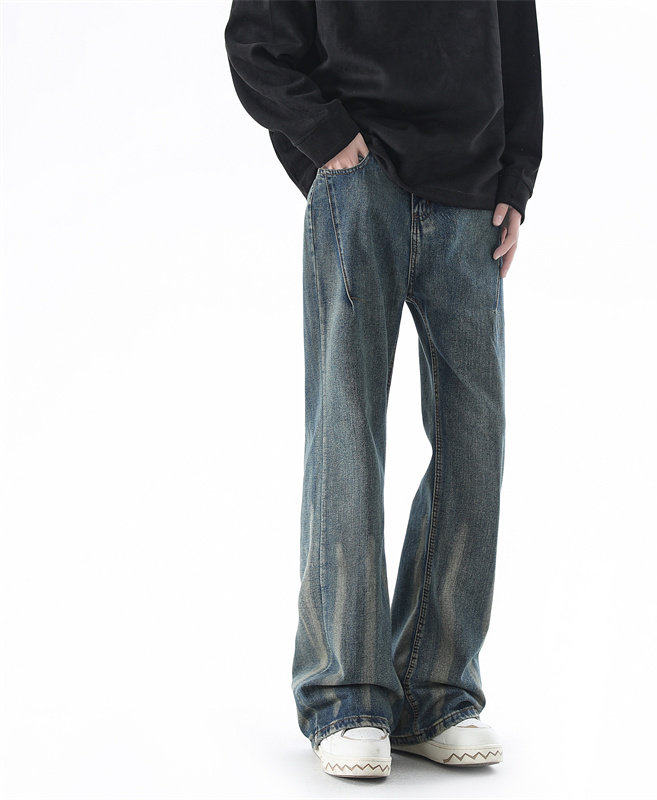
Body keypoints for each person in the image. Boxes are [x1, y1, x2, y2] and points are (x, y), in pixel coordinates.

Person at [225, 0, 542, 779]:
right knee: (347, 428)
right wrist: (327, 139)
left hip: (472, 192)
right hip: (360, 178)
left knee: (475, 441)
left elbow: (515, 30)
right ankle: (345, 697)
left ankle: (436, 692)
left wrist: (517, 174)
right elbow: (257, 40)